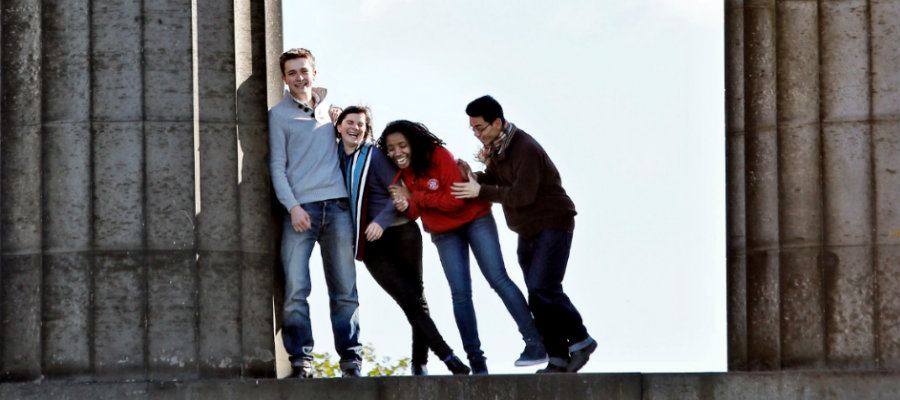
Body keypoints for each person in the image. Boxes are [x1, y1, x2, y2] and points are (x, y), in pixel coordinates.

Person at [378, 120, 547, 375]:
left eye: (402, 145)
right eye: (391, 148)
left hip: (475, 219)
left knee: (498, 278)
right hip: (443, 232)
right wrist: (406, 204)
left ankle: (535, 342)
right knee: (460, 293)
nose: (397, 152)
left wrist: (417, 197)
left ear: (414, 143)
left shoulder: (438, 155)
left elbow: (457, 199)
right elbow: (415, 212)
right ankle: (476, 361)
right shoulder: (399, 172)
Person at [452, 95, 596, 373]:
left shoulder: (524, 147)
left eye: (480, 127)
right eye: (472, 128)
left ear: (498, 122)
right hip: (527, 230)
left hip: (552, 223)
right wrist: (475, 178)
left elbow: (522, 194)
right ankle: (557, 358)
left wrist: (480, 191)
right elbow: (497, 181)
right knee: (536, 295)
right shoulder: (498, 149)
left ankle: (581, 340)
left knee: (545, 288)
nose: (476, 133)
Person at [335, 106, 471, 376]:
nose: (355, 128)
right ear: (339, 127)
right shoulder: (337, 157)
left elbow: (399, 192)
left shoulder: (373, 156)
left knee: (415, 299)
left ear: (367, 129)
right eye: (349, 122)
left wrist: (380, 221)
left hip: (401, 233)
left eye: (361, 124)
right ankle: (445, 357)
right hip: (372, 246)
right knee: (409, 299)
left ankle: (425, 362)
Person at [268, 48, 362, 378]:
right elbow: (277, 168)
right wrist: (292, 207)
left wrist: (342, 123)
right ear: (284, 78)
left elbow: (359, 141)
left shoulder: (332, 112)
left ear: (314, 73)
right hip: (300, 211)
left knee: (344, 290)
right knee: (295, 289)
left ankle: (351, 360)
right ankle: (302, 359)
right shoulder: (278, 115)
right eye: (292, 73)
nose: (299, 77)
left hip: (337, 208)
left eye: (304, 71)